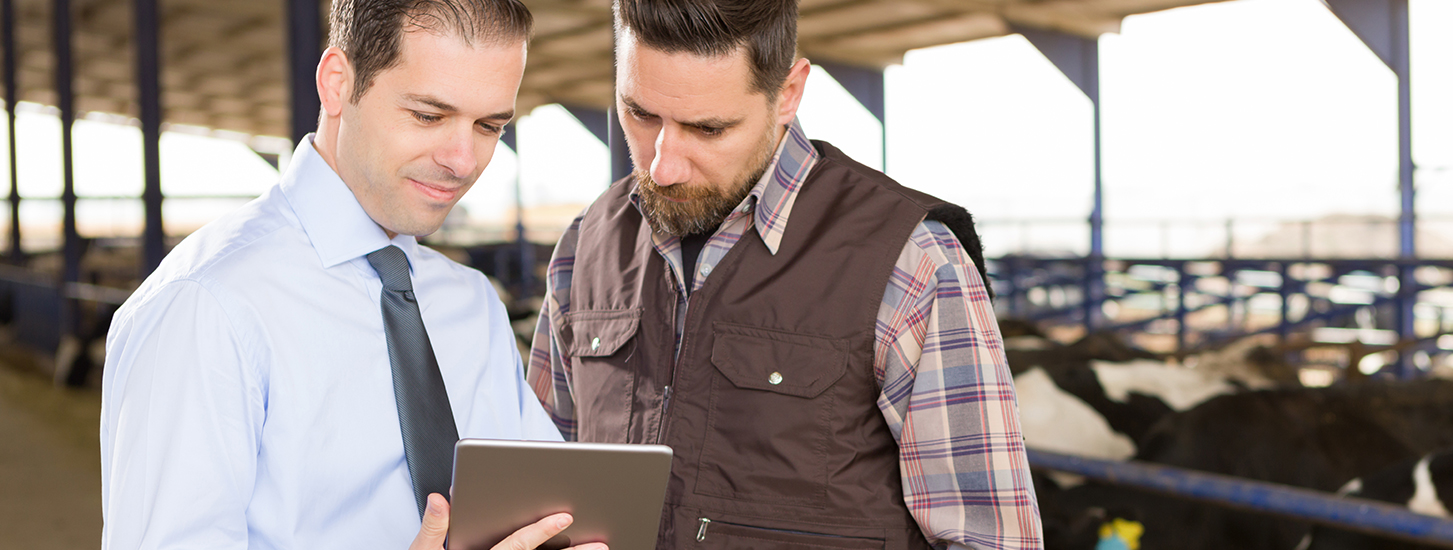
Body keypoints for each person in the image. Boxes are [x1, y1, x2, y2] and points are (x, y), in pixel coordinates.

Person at [525, 0, 1043, 548]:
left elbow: (990, 538)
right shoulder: (585, 246)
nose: (662, 165)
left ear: (788, 95)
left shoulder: (912, 262)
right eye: (640, 114)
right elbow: (538, 484)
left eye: (708, 128)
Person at [99, 1, 601, 549]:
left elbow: (546, 519)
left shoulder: (471, 303)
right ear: (337, 83)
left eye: (488, 125)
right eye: (429, 115)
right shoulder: (205, 306)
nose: (463, 160)